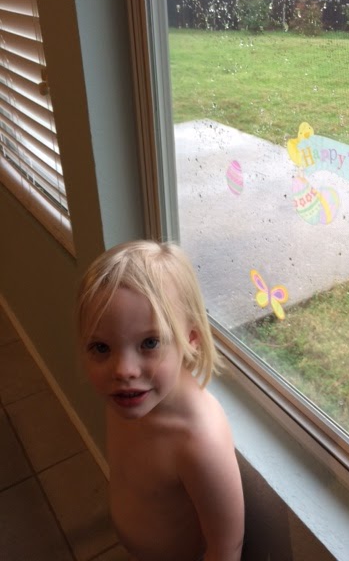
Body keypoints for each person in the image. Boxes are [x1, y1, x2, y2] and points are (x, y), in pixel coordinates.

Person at [76, 240, 244, 561]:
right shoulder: (128, 397)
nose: (123, 371)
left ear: (191, 338)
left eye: (150, 343)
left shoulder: (199, 440)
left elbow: (226, 549)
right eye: (101, 347)